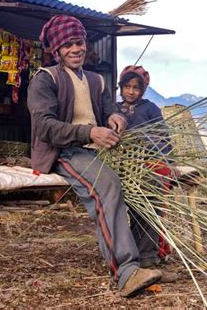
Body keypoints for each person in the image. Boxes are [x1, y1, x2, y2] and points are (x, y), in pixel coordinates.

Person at [27, 15, 162, 297]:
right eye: (68, 45)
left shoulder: (96, 80)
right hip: (65, 151)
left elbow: (108, 110)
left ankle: (148, 258)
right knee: (107, 184)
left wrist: (115, 119)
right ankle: (127, 272)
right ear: (57, 50)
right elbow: (44, 127)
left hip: (98, 148)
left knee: (147, 182)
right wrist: (89, 133)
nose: (76, 49)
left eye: (80, 43)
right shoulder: (45, 79)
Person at [117, 65, 178, 282]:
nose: (131, 91)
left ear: (143, 90)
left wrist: (160, 158)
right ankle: (126, 259)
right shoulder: (114, 109)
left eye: (136, 88)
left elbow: (163, 139)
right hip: (120, 167)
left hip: (146, 167)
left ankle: (148, 259)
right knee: (120, 212)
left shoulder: (150, 109)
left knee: (149, 209)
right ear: (121, 87)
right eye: (127, 86)